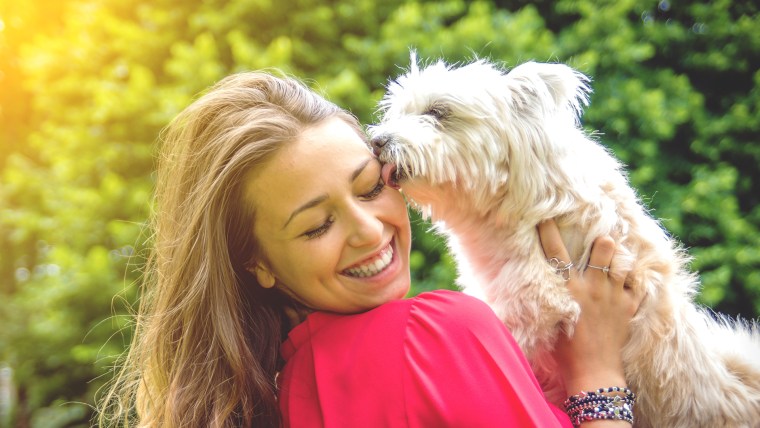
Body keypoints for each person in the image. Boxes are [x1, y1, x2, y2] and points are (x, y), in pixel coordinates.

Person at [97, 70, 642, 427]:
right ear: (255, 263)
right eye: (316, 226)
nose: (368, 230)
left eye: (371, 187)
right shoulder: (431, 338)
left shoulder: (270, 399)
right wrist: (596, 373)